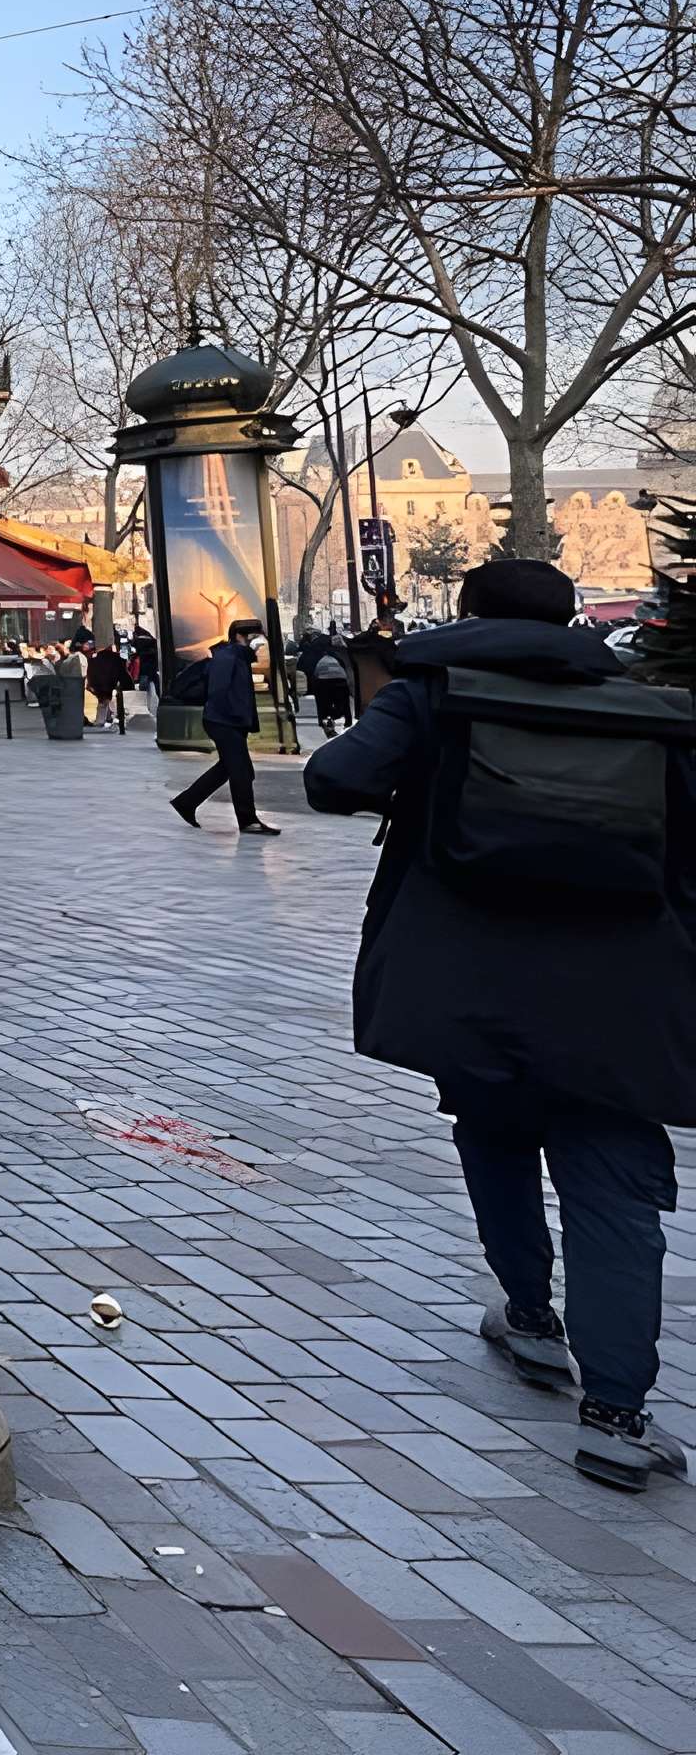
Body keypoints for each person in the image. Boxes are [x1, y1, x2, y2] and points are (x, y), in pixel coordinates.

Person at [304, 558, 696, 1491]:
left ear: (471, 615)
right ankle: (615, 1417)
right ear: (570, 621)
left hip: (471, 975)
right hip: (622, 990)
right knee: (616, 1187)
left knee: (496, 1135)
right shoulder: (649, 708)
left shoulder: (434, 691)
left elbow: (331, 780)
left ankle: (529, 1317)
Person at [170, 618, 280, 835]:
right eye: (255, 637)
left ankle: (187, 802)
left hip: (228, 721)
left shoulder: (237, 657)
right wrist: (233, 715)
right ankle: (248, 821)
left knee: (229, 768)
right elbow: (218, 691)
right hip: (224, 721)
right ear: (241, 636)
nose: (259, 642)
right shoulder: (229, 657)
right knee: (240, 771)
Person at [86, 640, 133, 733]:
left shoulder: (94, 659)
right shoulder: (117, 658)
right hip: (111, 681)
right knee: (107, 701)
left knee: (103, 701)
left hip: (100, 682)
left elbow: (91, 671)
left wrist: (90, 683)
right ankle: (107, 718)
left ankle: (104, 719)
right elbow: (122, 672)